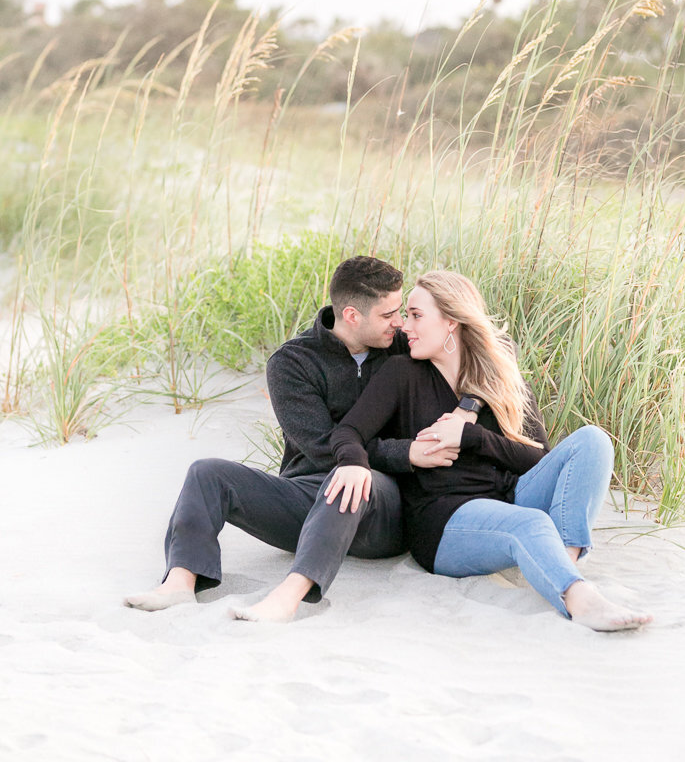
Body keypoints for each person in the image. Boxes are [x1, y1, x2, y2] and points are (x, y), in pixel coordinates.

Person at [125, 256, 477, 615]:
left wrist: (469, 406)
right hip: (304, 497)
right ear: (353, 316)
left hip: (382, 507)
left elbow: (481, 353)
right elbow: (325, 449)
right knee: (206, 472)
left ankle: (290, 598)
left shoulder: (405, 346)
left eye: (401, 312)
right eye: (389, 315)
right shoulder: (292, 363)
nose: (400, 323)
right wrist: (407, 452)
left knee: (351, 479)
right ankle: (179, 583)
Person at [325, 271, 652, 632]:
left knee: (593, 440)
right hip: (446, 521)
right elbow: (349, 434)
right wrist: (399, 455)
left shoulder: (499, 375)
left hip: (510, 498)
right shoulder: (400, 373)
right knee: (530, 523)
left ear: (451, 321)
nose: (405, 327)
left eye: (417, 316)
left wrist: (471, 436)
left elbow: (537, 460)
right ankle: (579, 598)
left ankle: (566, 563)